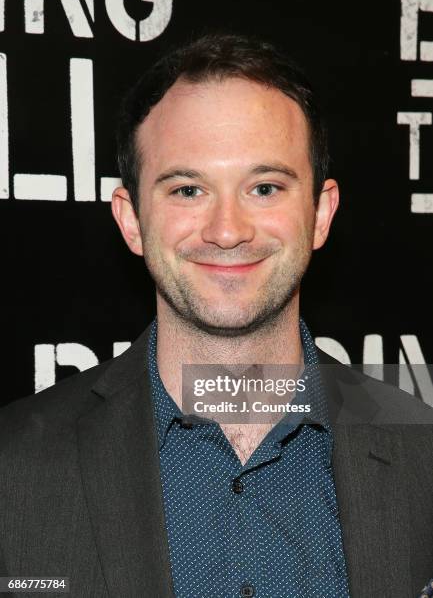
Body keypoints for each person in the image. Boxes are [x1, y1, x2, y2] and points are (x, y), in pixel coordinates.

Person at [1, 33, 433, 598]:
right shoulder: (14, 467)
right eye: (187, 189)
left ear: (321, 213)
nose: (227, 231)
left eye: (264, 187)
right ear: (131, 220)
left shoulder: (422, 456)